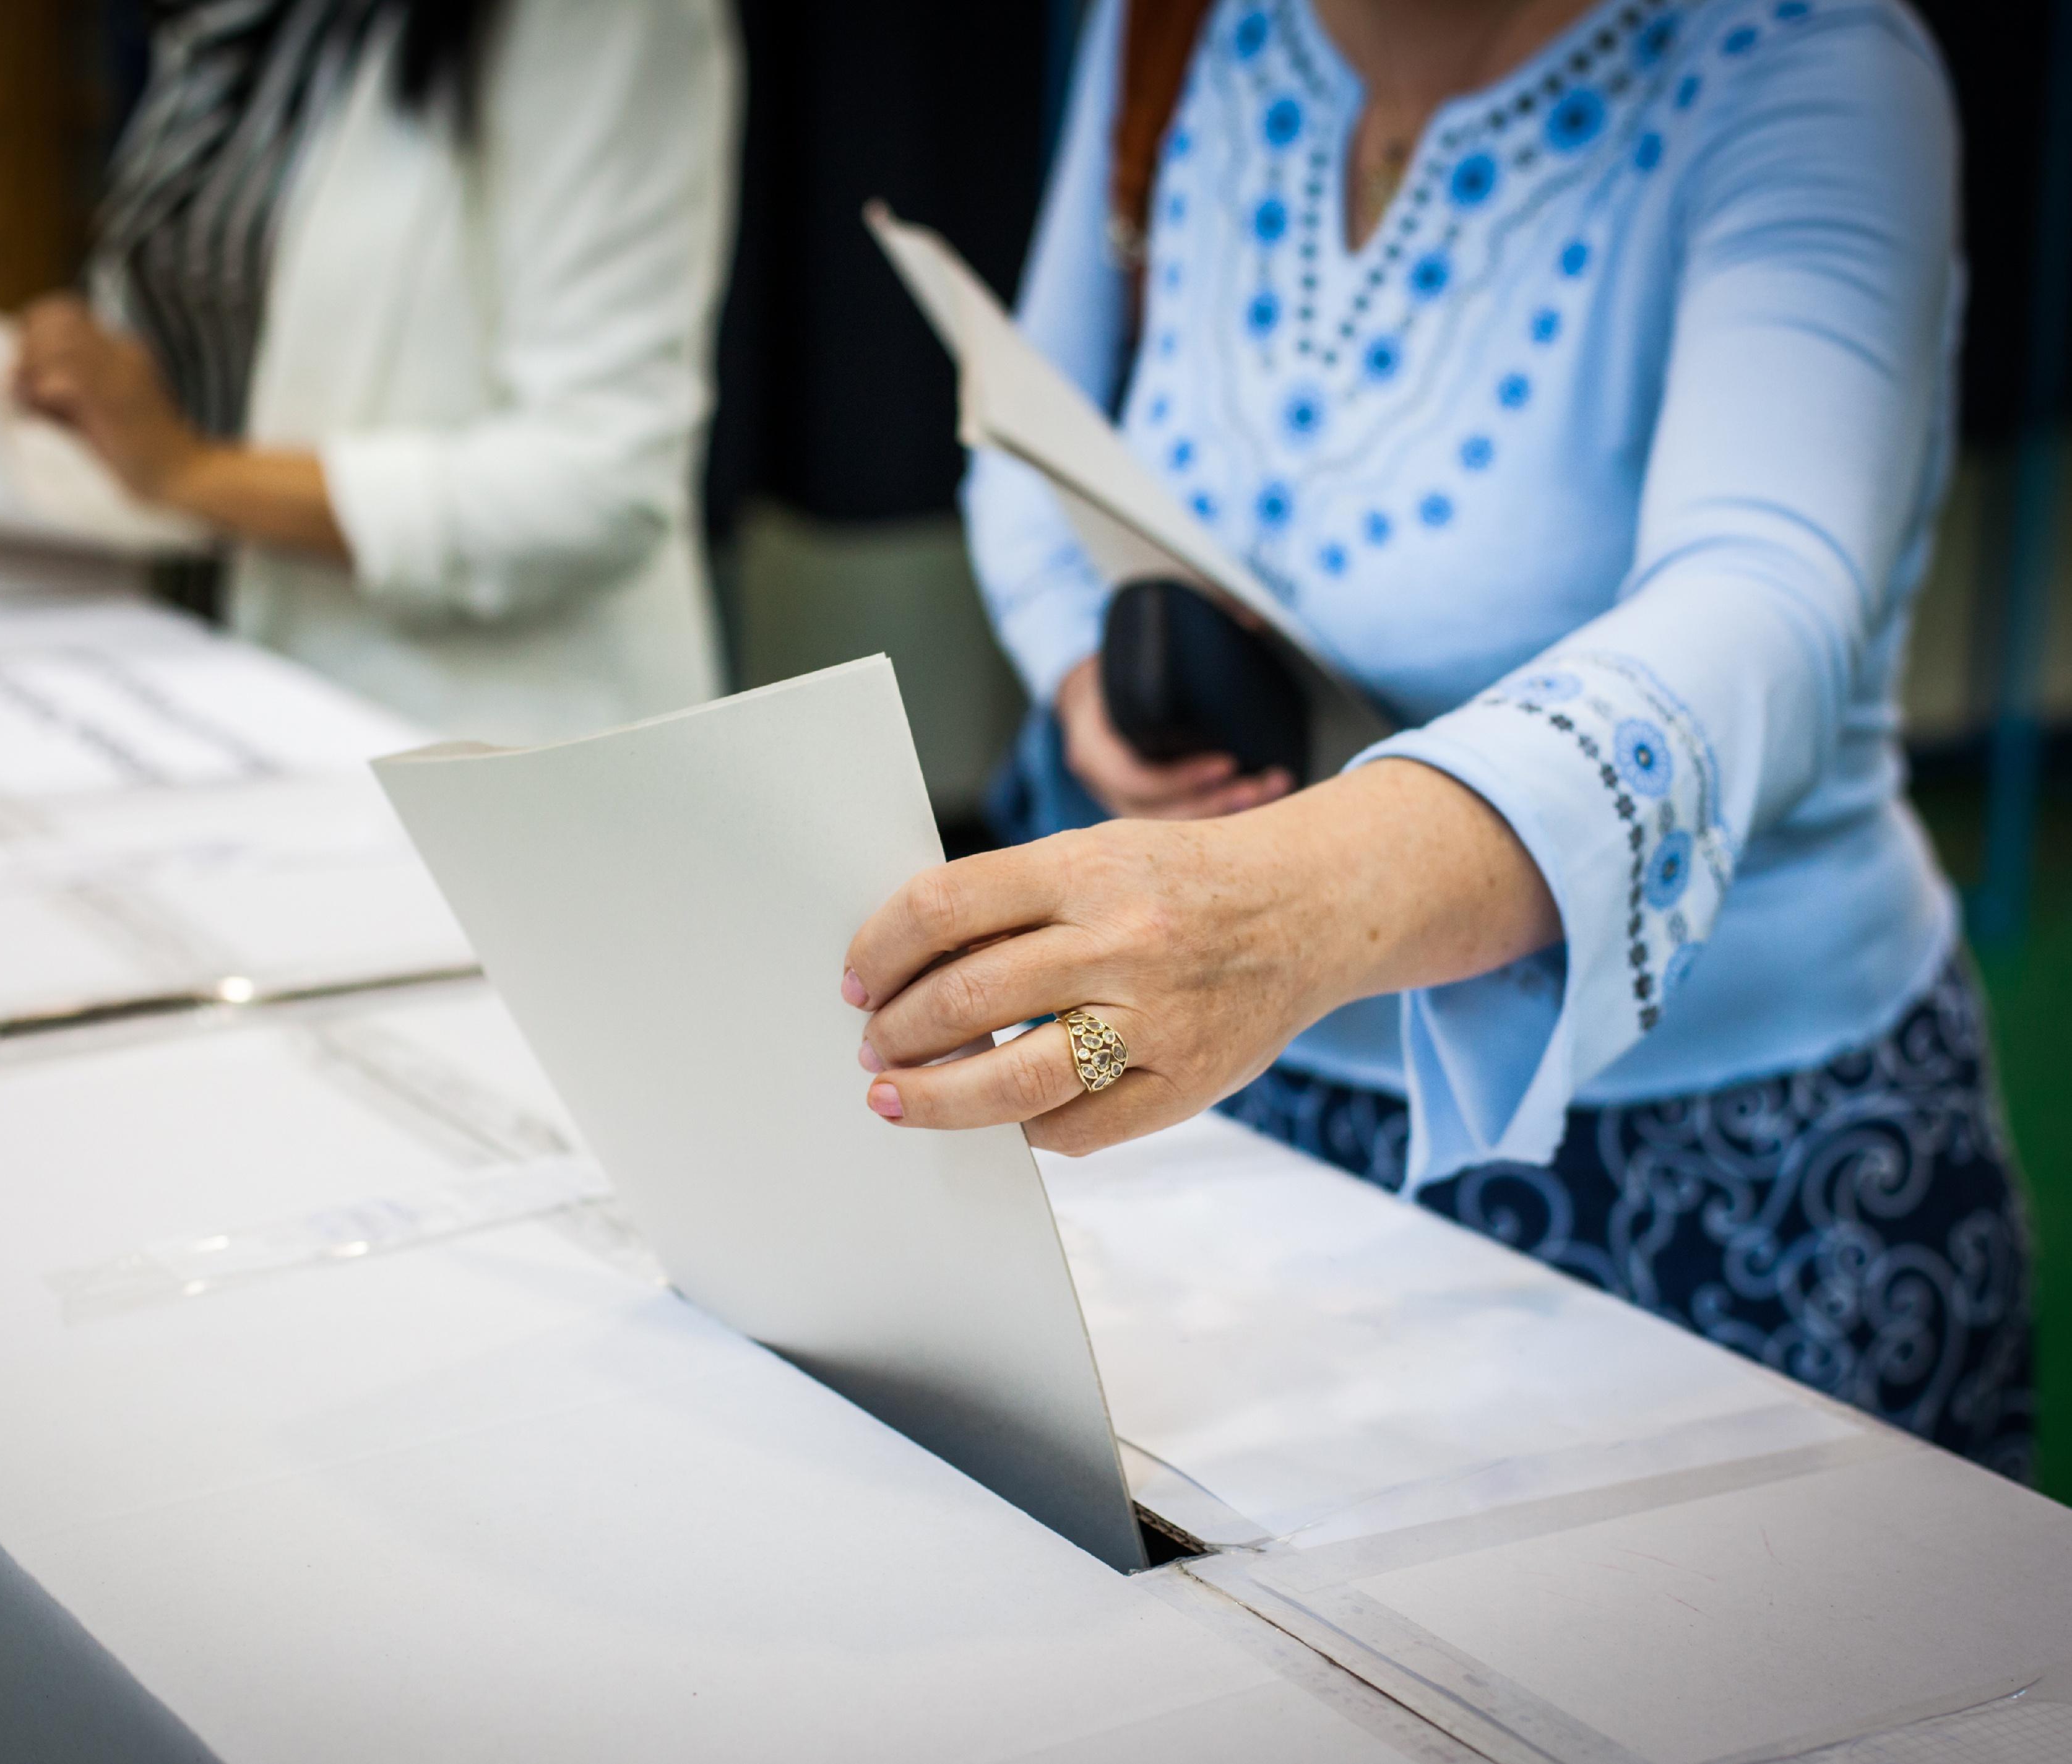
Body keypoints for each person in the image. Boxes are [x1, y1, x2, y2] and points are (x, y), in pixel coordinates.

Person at [845, 0, 2034, 1477]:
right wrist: (1091, 677)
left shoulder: (1807, 61)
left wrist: (1290, 904)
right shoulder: (1174, 28)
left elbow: (1769, 597)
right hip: (1242, 1111)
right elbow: (1024, 410)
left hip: (1709, 1155)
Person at [12, 0, 737, 746]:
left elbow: (600, 482)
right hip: (203, 683)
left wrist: (190, 472)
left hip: (476, 737)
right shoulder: (237, 26)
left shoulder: (605, 22)